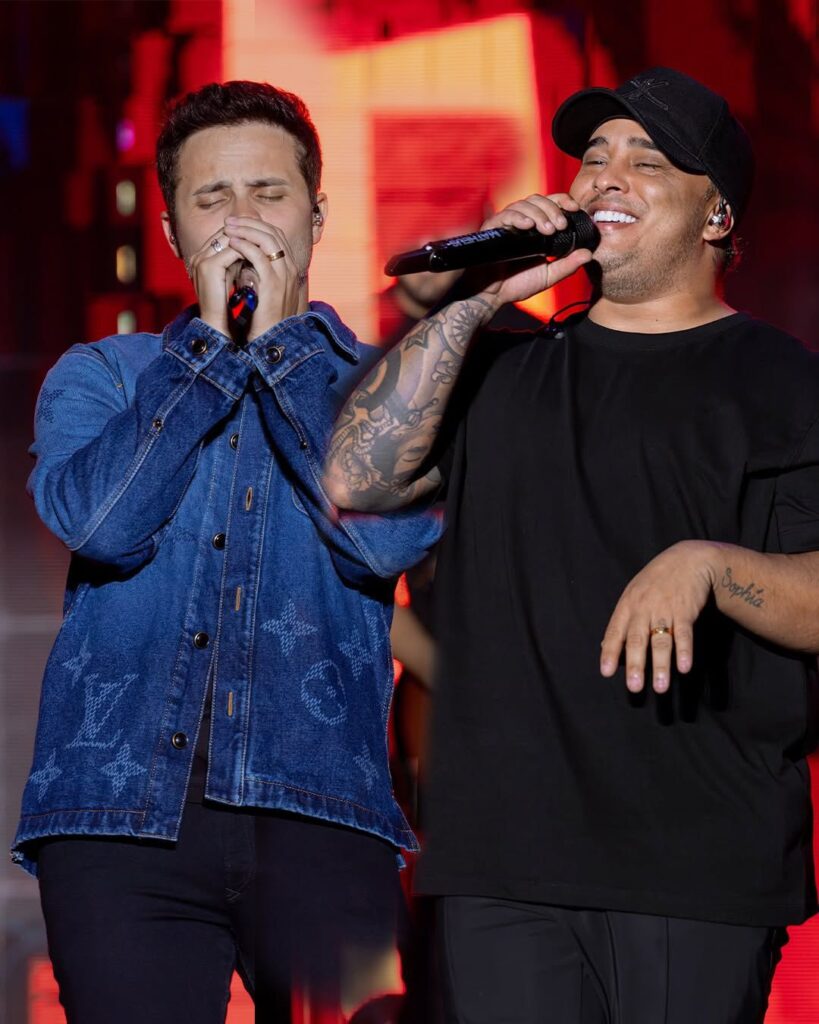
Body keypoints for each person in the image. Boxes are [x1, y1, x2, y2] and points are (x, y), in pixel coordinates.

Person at [324, 66, 819, 1022]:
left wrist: (711, 567)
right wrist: (474, 301)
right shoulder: (499, 361)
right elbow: (355, 478)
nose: (604, 177)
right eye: (593, 157)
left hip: (694, 863)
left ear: (716, 215)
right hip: (499, 860)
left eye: (648, 160)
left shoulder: (780, 382)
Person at [12, 80, 440, 1023]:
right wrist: (207, 350)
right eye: (212, 200)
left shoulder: (387, 389)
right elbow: (102, 524)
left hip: (325, 810)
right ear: (172, 233)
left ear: (316, 216)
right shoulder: (103, 375)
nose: (242, 222)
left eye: (268, 194)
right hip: (120, 824)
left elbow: (386, 538)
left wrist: (284, 345)